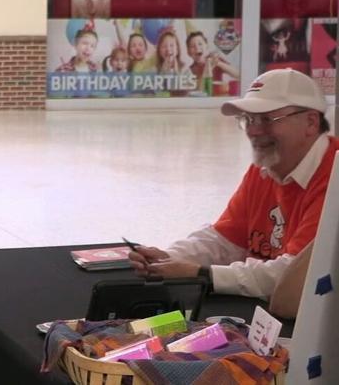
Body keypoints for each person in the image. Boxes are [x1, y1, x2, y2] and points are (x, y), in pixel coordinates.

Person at [129, 68, 339, 300]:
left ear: (311, 122)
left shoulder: (333, 176)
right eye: (248, 119)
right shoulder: (266, 168)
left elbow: (295, 277)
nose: (253, 130)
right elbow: (225, 240)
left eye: (267, 119)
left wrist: (200, 273)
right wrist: (171, 257)